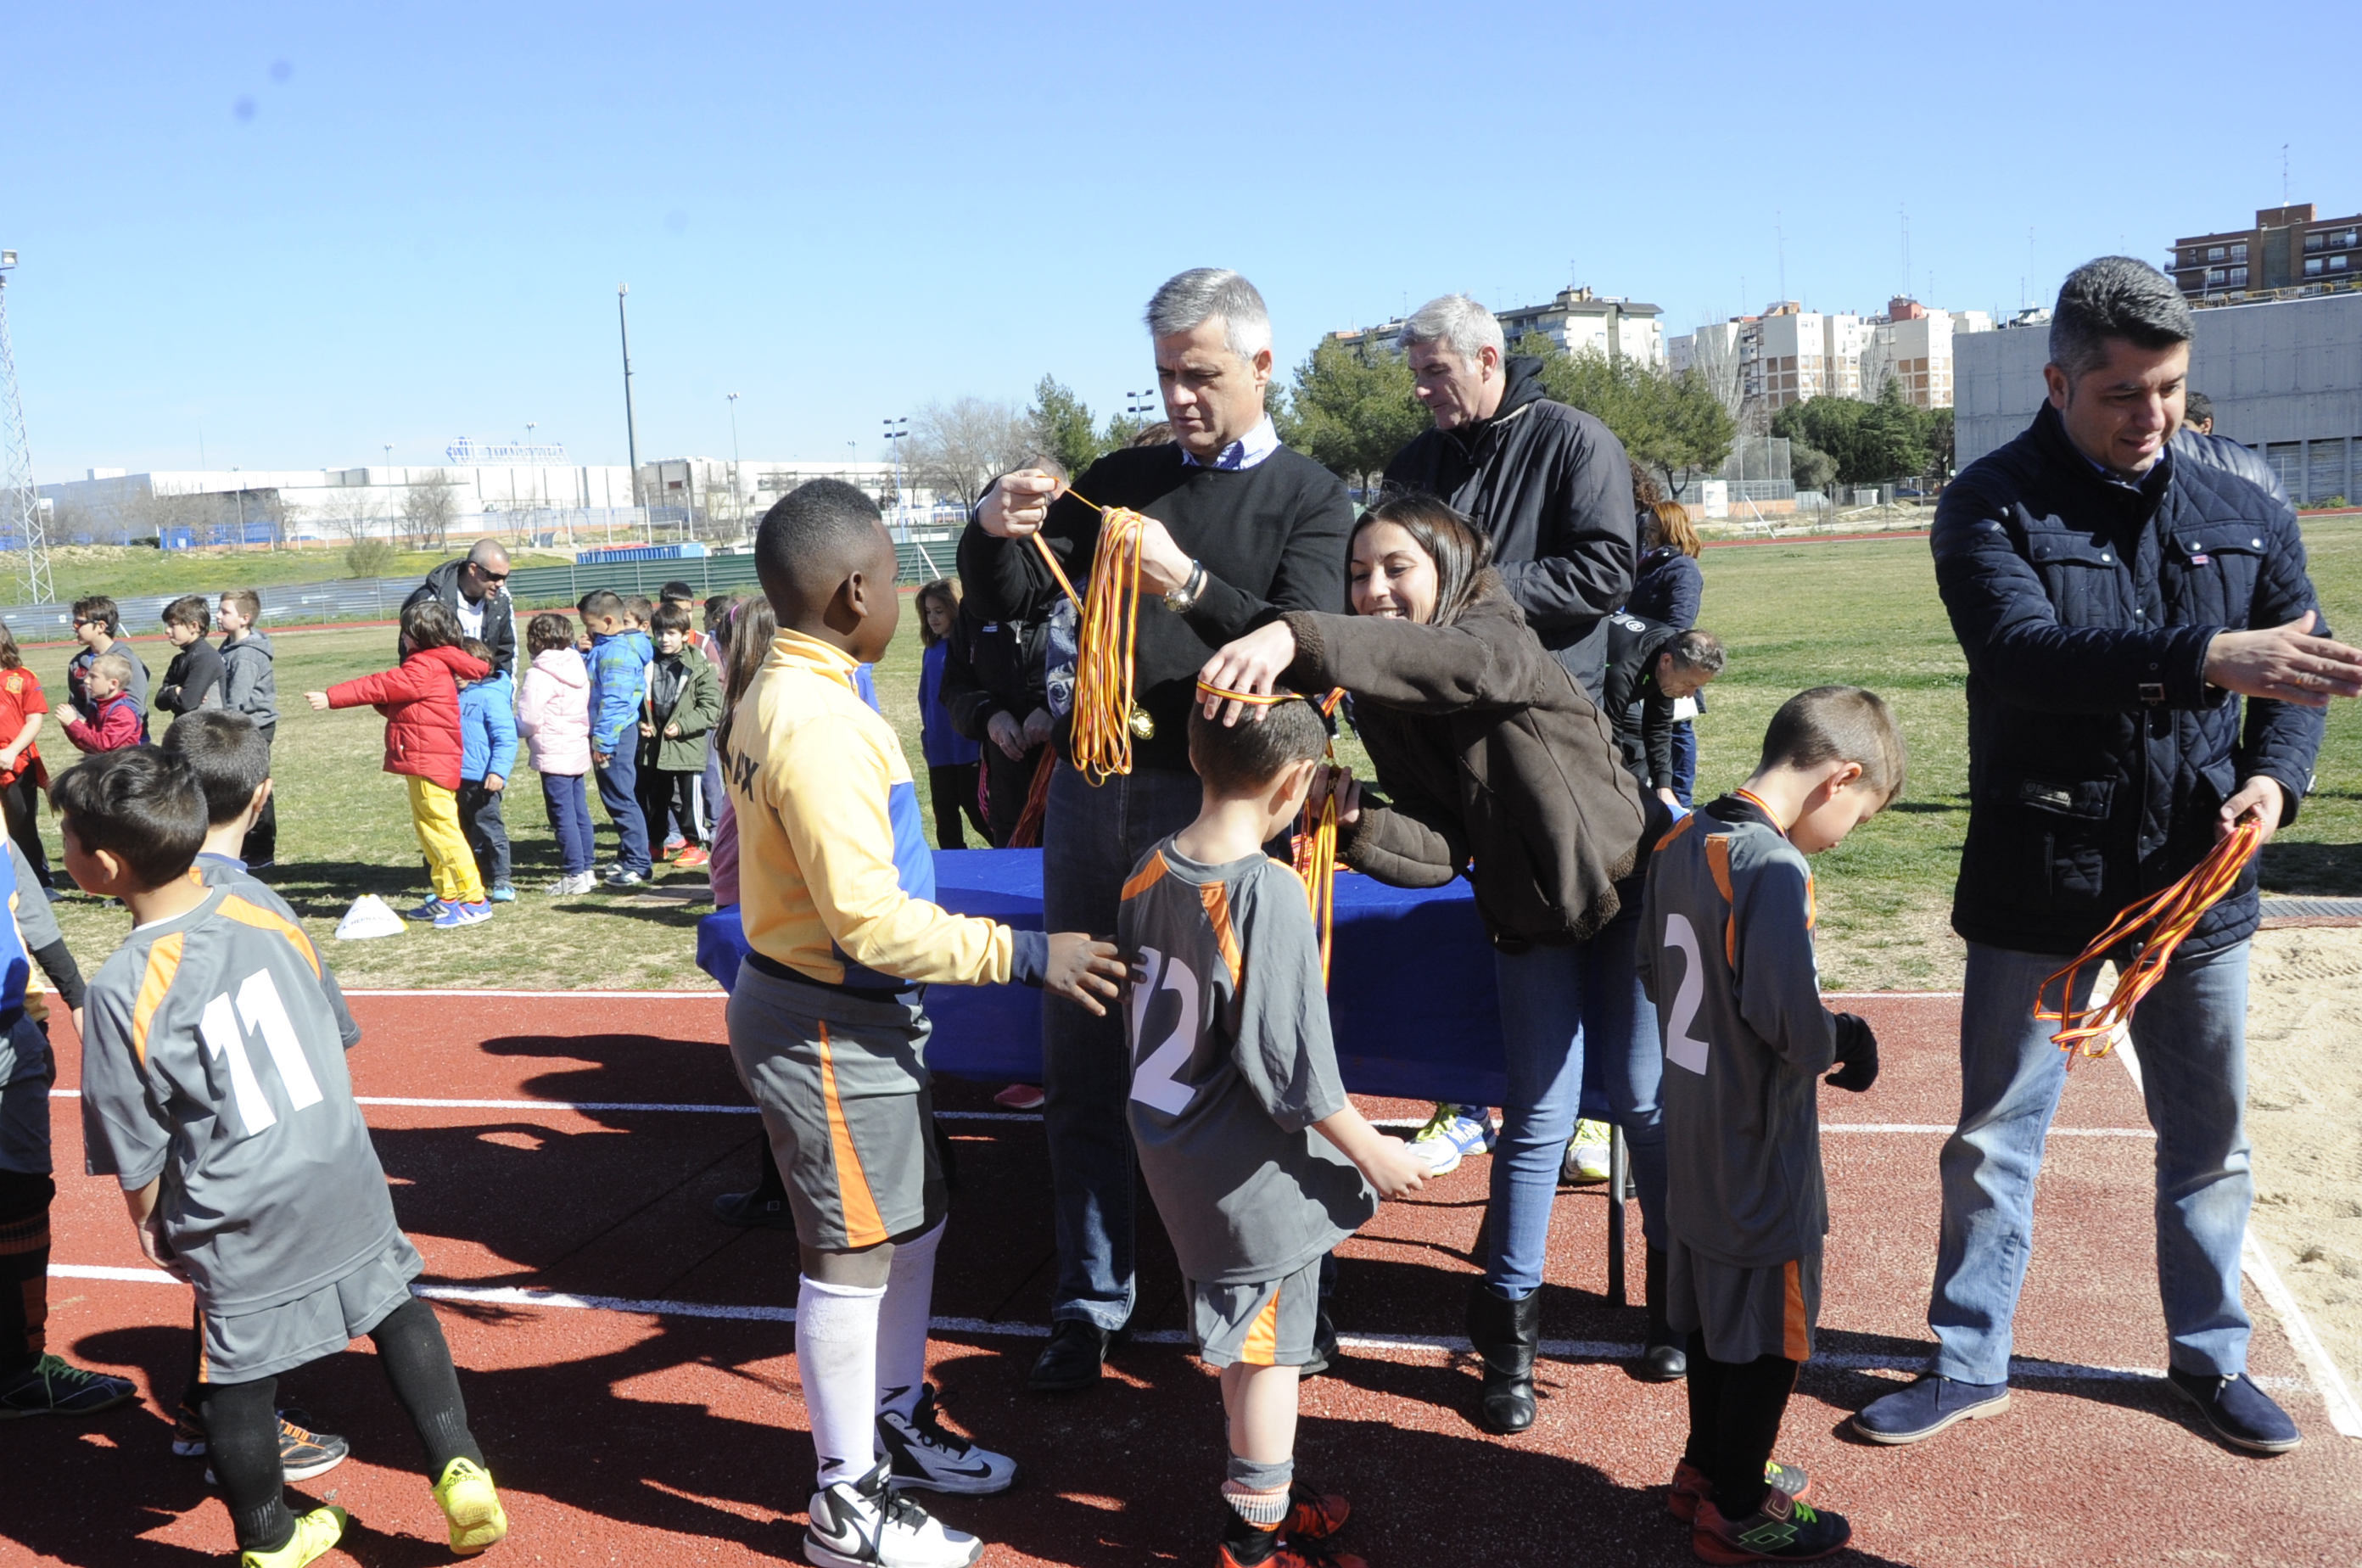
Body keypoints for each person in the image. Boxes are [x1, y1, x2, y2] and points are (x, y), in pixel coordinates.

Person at [1854, 256, 2362, 1456]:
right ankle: (1969, 1359)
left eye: (2172, 389)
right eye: (2122, 393)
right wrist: (2203, 660)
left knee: (2211, 1138)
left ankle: (2208, 1359)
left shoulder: (2245, 490)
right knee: (1994, 1142)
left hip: (2202, 885)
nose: (2152, 417)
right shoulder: (1989, 503)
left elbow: (2303, 665)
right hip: (2044, 877)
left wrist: (2275, 785)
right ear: (2058, 380)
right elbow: (2022, 651)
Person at [959, 267, 1354, 1392]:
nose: (1180, 397)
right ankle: (1090, 1297)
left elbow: (1309, 642)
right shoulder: (1121, 478)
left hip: (1225, 807)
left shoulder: (1315, 496)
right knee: (1081, 1044)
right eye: (1167, 376)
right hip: (1097, 788)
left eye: (1202, 375)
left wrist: (1190, 583)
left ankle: (1266, 1290)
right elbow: (1007, 597)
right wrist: (992, 529)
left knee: (1240, 1053)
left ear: (1261, 367)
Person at [723, 480, 1122, 1566]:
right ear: (855, 590)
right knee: (849, 1255)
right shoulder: (816, 722)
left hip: (846, 1015)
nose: (905, 597)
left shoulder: (796, 690)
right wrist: (1031, 954)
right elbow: (870, 923)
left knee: (920, 1220)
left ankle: (891, 1419)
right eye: (898, 579)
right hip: (825, 1020)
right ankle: (843, 1503)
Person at [1198, 493, 1665, 1420]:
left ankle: (1681, 1306)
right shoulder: (1384, 694)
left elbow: (1461, 668)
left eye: (1395, 568)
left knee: (1647, 1104)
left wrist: (1298, 634)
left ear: (1449, 566)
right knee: (1539, 1114)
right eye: (1360, 573)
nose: (1373, 589)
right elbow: (1444, 847)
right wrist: (1360, 818)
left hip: (1632, 883)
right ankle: (1507, 1343)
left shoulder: (1495, 626)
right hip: (1526, 910)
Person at [65, 747, 508, 1567]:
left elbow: (134, 1137)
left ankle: (270, 1538)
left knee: (234, 1374)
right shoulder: (263, 907)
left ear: (103, 865)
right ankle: (462, 1467)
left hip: (242, 1208)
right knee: (398, 1308)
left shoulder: (125, 984)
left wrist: (149, 1224)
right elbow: (336, 1028)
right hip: (342, 1168)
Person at [1123, 696, 1421, 1568]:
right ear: (1298, 781)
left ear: (1190, 750)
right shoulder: (1264, 888)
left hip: (1175, 1145)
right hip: (1244, 1170)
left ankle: (1267, 1502)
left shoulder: (1147, 867)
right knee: (1269, 1357)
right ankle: (1251, 1540)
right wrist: (1375, 1153)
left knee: (1248, 1347)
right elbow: (1293, 1070)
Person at [1638, 686, 1906, 1564]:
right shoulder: (1771, 866)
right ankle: (1742, 1505)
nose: (1845, 835)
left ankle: (1705, 1470)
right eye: (1859, 817)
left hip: (1690, 1126)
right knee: (1773, 1329)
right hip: (1760, 1143)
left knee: (1716, 1313)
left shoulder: (1680, 837)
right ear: (1842, 778)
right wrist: (1849, 1039)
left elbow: (1651, 969)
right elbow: (1791, 1023)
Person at [157, 711, 353, 1481]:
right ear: (262, 796)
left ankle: (203, 1416)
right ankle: (237, 1445)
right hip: (251, 1137)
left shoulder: (164, 884)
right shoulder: (247, 902)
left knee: (228, 1290)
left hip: (213, 1130)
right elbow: (326, 1025)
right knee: (240, 1297)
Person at [1384, 294, 1637, 698]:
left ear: (1486, 361)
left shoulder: (1577, 441)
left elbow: (1604, 574)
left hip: (1546, 708)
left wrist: (1472, 590)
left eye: (1435, 370)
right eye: (1416, 373)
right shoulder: (1410, 464)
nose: (1421, 390)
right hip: (1438, 702)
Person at [0, 826, 137, 1420]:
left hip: (10, 1028)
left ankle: (19, 1370)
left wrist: (73, 999)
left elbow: (23, 898)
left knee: (22, 1196)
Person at [305, 599, 493, 930]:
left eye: (406, 632)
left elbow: (379, 685)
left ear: (419, 636)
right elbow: (398, 703)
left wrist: (331, 697)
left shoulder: (423, 667)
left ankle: (474, 900)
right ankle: (447, 895)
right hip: (422, 760)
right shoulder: (431, 664)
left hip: (429, 762)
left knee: (444, 831)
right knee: (429, 832)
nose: (402, 638)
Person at [1628, 500, 1709, 806]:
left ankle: (1681, 800)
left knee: (1677, 732)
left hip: (1668, 661)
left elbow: (1680, 620)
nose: (1647, 535)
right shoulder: (1648, 562)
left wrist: (1667, 659)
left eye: (1653, 530)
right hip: (1646, 658)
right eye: (1646, 529)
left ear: (1669, 530)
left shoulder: (1681, 568)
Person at [1602, 617, 1726, 811]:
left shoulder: (1669, 657)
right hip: (1581, 682)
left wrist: (1664, 786)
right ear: (1666, 661)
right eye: (1688, 684)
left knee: (1636, 752)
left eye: (1697, 688)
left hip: (1620, 688)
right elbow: (1610, 731)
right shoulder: (1626, 667)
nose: (1689, 695)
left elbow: (1658, 726)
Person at [518, 612, 596, 896]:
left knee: (562, 815)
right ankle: (587, 869)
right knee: (579, 812)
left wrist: (505, 728)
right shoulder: (577, 664)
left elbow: (528, 720)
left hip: (553, 751)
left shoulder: (539, 674)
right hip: (575, 747)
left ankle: (574, 872)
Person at [639, 602, 722, 867]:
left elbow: (711, 708)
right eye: (659, 633)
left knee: (688, 803)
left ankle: (696, 844)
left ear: (685, 635)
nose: (664, 639)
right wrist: (642, 721)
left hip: (687, 747)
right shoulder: (647, 662)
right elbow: (639, 698)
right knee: (655, 801)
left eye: (671, 633)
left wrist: (683, 726)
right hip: (654, 747)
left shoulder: (701, 666)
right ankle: (657, 843)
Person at [581, 589, 653, 888]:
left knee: (622, 799)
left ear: (609, 621)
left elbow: (614, 701)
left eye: (591, 626)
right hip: (615, 734)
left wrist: (603, 742)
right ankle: (627, 855)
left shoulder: (617, 653)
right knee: (617, 797)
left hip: (615, 736)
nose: (588, 631)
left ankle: (639, 863)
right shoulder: (609, 646)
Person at [914, 580, 987, 849]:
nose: (932, 618)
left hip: (967, 750)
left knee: (980, 816)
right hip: (939, 751)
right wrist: (927, 737)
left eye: (939, 611)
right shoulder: (930, 651)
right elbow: (926, 699)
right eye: (928, 612)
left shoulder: (968, 649)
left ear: (954, 610)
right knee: (946, 822)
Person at [217, 589, 279, 867]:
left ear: (244, 618)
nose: (217, 616)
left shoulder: (246, 656)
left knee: (256, 790)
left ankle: (261, 853)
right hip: (240, 727)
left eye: (224, 612)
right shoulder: (229, 647)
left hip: (251, 728)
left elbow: (236, 702)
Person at [456, 636, 518, 904]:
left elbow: (506, 738)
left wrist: (498, 772)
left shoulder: (491, 697)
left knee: (490, 828)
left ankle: (502, 879)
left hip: (482, 779)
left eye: (461, 669)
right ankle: (469, 880)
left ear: (481, 667)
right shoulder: (453, 695)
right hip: (453, 778)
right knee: (460, 831)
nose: (455, 675)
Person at [399, 539, 516, 676]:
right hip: (443, 692)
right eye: (494, 576)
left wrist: (502, 691)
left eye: (505, 577)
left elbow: (507, 653)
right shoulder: (429, 601)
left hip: (485, 692)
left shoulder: (501, 599)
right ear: (473, 569)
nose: (501, 583)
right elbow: (410, 657)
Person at [0, 626, 52, 891]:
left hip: (17, 764)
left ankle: (39, 883)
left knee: (21, 824)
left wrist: (10, 752)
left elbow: (34, 721)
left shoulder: (22, 678)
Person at [65, 596, 150, 734]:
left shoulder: (127, 660)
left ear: (100, 626)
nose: (74, 627)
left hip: (127, 742)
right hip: (93, 741)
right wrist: (79, 724)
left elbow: (136, 705)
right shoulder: (77, 663)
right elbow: (76, 703)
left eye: (79, 623)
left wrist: (110, 731)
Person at [154, 594, 226, 724]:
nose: (168, 631)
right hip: (186, 731)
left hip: (209, 734)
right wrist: (175, 691)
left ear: (194, 626)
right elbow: (160, 702)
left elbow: (187, 703)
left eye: (172, 625)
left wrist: (172, 693)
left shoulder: (206, 658)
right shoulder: (179, 660)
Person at [62, 653, 141, 754]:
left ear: (113, 684)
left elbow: (104, 744)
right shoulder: (98, 706)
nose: (86, 681)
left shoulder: (123, 712)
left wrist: (73, 724)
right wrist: (68, 725)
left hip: (120, 767)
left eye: (93, 677)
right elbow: (87, 743)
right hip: (103, 765)